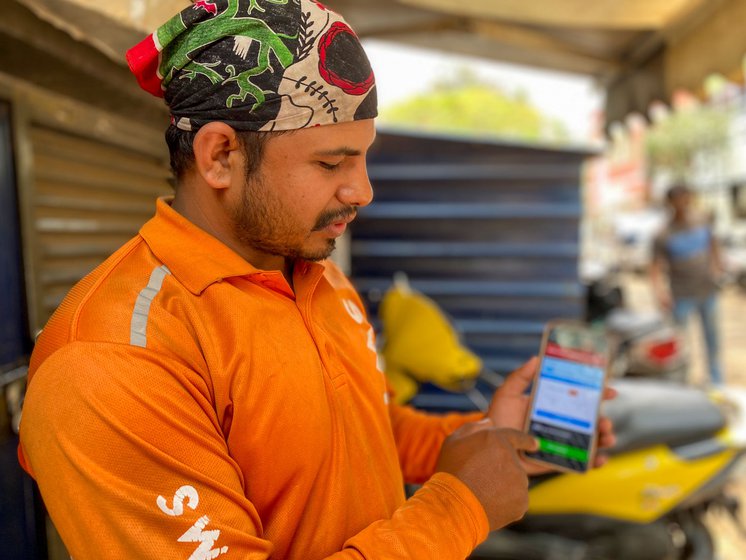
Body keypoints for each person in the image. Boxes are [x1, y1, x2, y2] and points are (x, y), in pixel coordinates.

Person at [18, 2, 615, 558]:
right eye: (331, 162)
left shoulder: (319, 279)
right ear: (220, 155)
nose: (363, 191)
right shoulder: (110, 360)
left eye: (363, 156)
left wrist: (487, 437)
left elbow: (362, 433)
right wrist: (460, 507)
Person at [651, 184, 725, 386]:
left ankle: (717, 381)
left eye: (686, 199)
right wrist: (660, 293)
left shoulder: (703, 221)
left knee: (712, 339)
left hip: (706, 290)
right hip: (681, 295)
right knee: (679, 344)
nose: (683, 205)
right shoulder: (663, 233)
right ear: (670, 204)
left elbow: (714, 245)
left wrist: (719, 268)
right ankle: (680, 383)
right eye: (678, 201)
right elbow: (655, 267)